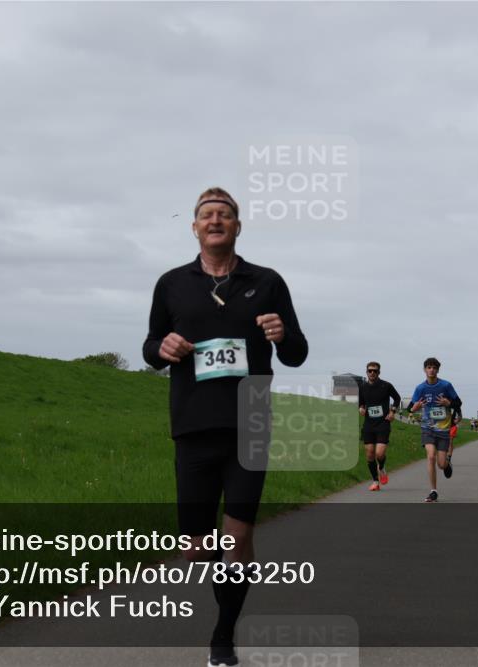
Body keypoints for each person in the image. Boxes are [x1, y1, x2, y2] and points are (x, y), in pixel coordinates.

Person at [143, 187, 308, 667]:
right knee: (195, 549)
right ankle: (221, 571)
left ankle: (223, 638)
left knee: (237, 539)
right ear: (194, 227)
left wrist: (283, 336)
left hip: (250, 420)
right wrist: (162, 349)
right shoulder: (171, 284)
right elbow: (150, 347)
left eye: (225, 214)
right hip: (193, 424)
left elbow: (296, 352)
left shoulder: (267, 281)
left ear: (238, 226)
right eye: (206, 215)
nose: (215, 220)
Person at [409, 357, 462, 502]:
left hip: (443, 429)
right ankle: (433, 491)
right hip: (428, 428)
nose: (431, 370)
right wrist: (415, 408)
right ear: (425, 370)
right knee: (430, 456)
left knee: (441, 464)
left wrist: (448, 403)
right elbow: (411, 408)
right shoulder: (420, 388)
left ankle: (447, 463)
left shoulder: (446, 385)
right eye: (429, 367)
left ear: (438, 370)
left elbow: (458, 403)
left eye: (434, 367)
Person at [358, 361, 401, 490]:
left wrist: (392, 412)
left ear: (379, 372)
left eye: (375, 371)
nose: (372, 373)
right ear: (366, 372)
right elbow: (361, 403)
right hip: (369, 424)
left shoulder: (386, 386)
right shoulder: (363, 387)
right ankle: (375, 482)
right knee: (370, 454)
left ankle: (381, 467)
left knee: (380, 453)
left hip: (383, 423)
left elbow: (397, 398)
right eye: (370, 371)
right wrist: (361, 408)